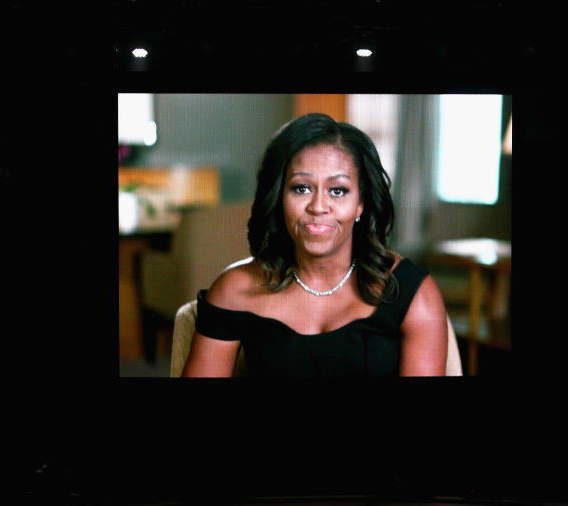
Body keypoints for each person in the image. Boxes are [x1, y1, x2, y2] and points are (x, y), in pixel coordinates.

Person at [182, 113, 448, 377]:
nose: (318, 207)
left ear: (361, 203)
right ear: (279, 197)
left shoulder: (414, 294)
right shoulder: (233, 291)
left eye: (338, 190)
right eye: (301, 188)